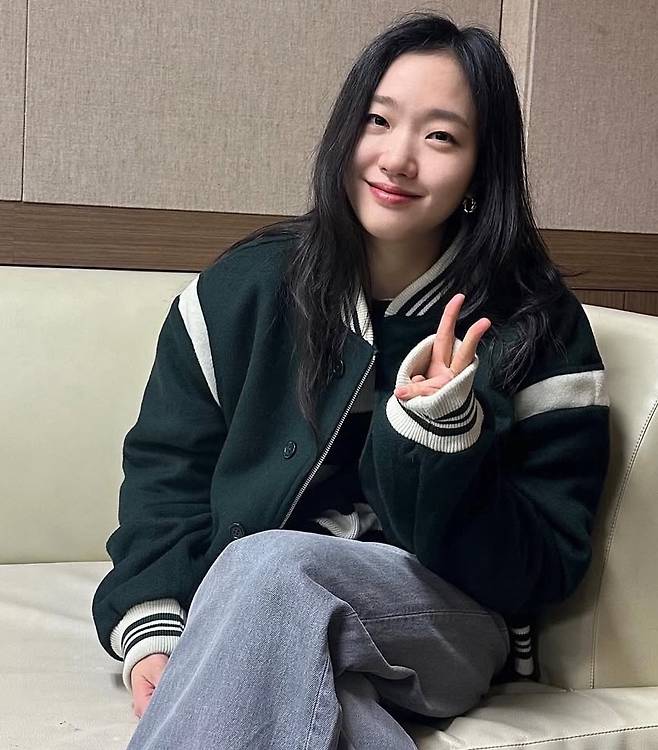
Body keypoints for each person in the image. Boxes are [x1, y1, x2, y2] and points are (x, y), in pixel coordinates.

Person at [92, 11, 610, 749]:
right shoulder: (239, 293)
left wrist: (441, 438)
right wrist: (154, 631)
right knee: (329, 701)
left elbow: (546, 564)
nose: (397, 159)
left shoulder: (538, 325)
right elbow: (164, 479)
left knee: (273, 565)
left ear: (480, 168)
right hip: (248, 609)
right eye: (378, 121)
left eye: (441, 137)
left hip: (444, 621)